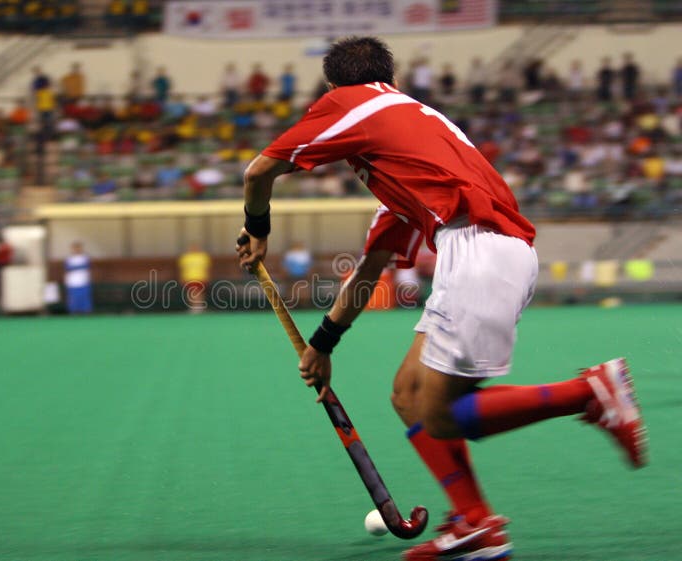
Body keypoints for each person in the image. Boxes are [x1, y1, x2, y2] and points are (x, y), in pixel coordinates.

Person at [235, 36, 646, 561]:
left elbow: (258, 171)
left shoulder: (357, 102)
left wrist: (256, 227)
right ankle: (475, 525)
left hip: (477, 248)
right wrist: (322, 344)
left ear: (335, 88)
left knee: (441, 415)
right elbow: (369, 271)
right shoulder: (414, 152)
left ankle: (588, 391)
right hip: (489, 250)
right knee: (409, 393)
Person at [178, 243, 211, 313]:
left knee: (199, 292)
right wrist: (182, 277)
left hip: (201, 277)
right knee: (191, 293)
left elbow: (207, 268)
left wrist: (207, 277)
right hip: (189, 278)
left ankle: (199, 306)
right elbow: (182, 269)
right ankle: (194, 306)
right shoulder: (185, 257)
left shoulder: (203, 256)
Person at [64, 241, 92, 314]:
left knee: (84, 297)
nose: (76, 250)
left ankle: (86, 311)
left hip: (83, 281)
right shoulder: (69, 258)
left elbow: (86, 267)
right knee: (73, 298)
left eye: (78, 248)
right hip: (73, 282)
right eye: (75, 248)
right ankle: (73, 312)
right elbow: (67, 269)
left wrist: (75, 268)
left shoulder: (85, 257)